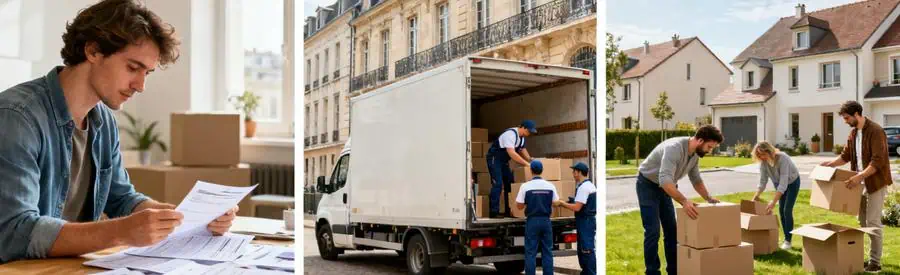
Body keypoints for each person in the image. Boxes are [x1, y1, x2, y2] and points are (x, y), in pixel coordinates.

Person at [0, 0, 237, 263]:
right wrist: (121, 232)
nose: (141, 85)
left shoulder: (103, 121)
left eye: (147, 72)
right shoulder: (17, 117)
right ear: (93, 51)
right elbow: (14, 232)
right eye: (133, 68)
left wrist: (188, 218)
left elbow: (122, 198)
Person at [635, 125, 723, 275]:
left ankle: (674, 271)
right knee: (653, 231)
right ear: (700, 140)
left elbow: (695, 179)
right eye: (709, 146)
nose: (709, 150)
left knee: (672, 230)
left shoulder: (695, 154)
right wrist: (684, 201)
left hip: (666, 187)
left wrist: (708, 198)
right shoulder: (674, 148)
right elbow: (664, 180)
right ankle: (652, 271)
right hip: (648, 185)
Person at [819, 100, 891, 273]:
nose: (845, 121)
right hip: (860, 183)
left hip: (875, 183)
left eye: (846, 117)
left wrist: (859, 176)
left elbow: (878, 161)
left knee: (873, 222)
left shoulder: (876, 131)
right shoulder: (853, 133)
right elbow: (846, 156)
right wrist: (830, 164)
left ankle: (875, 262)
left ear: (857, 114)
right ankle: (866, 257)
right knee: (862, 221)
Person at [750, 141, 800, 250]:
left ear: (769, 151)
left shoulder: (783, 159)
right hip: (779, 182)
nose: (761, 157)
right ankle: (786, 237)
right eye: (758, 155)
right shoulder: (763, 163)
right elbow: (763, 181)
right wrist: (756, 196)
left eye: (763, 154)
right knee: (781, 210)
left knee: (787, 210)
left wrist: (773, 201)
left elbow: (783, 183)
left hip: (792, 182)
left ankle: (788, 241)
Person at [486, 120, 537, 218]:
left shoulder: (522, 138)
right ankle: (494, 212)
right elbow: (512, 153)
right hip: (494, 158)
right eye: (529, 131)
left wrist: (530, 159)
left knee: (509, 184)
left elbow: (522, 149)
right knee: (498, 184)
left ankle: (509, 210)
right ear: (523, 127)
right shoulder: (510, 134)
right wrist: (527, 164)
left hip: (503, 161)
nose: (529, 134)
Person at [515, 160, 557, 275]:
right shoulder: (550, 186)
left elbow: (519, 206)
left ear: (531, 170)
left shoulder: (525, 186)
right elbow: (555, 202)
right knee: (547, 251)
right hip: (546, 221)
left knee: (530, 252)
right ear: (542, 171)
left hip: (532, 221)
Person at [555, 162, 596, 275]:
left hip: (585, 221)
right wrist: (572, 200)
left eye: (574, 172)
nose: (573, 174)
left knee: (586, 250)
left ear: (579, 172)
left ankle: (590, 272)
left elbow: (577, 208)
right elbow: (581, 203)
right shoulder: (587, 185)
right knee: (583, 249)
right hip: (586, 220)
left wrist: (562, 204)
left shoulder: (583, 187)